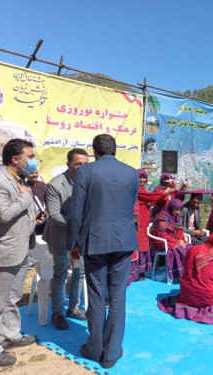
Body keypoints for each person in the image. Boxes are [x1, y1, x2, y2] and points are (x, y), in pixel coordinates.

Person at [67, 134, 139, 369]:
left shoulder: (86, 172)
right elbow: (129, 205)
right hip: (124, 241)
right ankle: (111, 352)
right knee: (118, 296)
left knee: (97, 295)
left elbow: (76, 211)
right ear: (115, 150)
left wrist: (72, 242)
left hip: (95, 241)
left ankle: (95, 347)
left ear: (94, 151)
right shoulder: (131, 172)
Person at [0, 139, 42, 367]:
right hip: (4, 250)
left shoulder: (20, 180)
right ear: (16, 159)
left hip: (22, 247)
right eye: (30, 156)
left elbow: (21, 210)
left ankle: (11, 334)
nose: (33, 161)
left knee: (12, 297)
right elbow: (4, 214)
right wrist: (26, 197)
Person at [43, 148, 89, 330]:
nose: (82, 167)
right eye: (78, 164)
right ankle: (57, 314)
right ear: (68, 164)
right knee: (60, 272)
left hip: (80, 237)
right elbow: (54, 215)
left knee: (80, 272)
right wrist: (78, 226)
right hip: (59, 236)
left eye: (86, 164)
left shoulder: (89, 181)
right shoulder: (56, 184)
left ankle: (74, 308)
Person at [130, 169, 175, 283]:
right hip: (137, 220)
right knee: (138, 243)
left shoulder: (143, 190)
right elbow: (151, 197)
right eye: (140, 177)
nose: (142, 180)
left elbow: (150, 201)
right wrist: (165, 192)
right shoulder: (137, 190)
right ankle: (136, 272)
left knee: (144, 243)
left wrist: (163, 195)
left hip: (145, 219)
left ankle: (141, 271)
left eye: (144, 177)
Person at [150, 198, 191, 281]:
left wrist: (180, 239)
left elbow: (179, 231)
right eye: (176, 210)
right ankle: (181, 274)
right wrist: (177, 242)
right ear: (171, 208)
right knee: (179, 250)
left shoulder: (176, 219)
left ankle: (190, 271)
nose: (178, 212)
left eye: (180, 210)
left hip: (173, 241)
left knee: (189, 248)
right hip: (162, 243)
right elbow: (163, 235)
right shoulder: (162, 219)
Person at [27, 169, 47, 235]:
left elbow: (48, 203)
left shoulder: (43, 185)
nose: (34, 175)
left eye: (36, 173)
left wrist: (45, 215)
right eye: (32, 173)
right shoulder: (23, 186)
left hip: (42, 220)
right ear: (26, 174)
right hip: (28, 221)